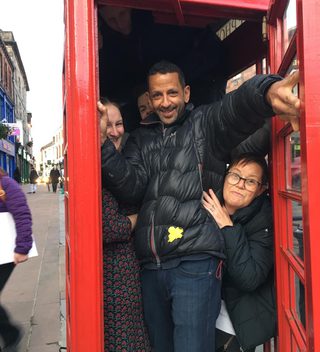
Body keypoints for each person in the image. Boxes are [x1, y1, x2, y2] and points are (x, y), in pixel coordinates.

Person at [99, 61, 300, 352]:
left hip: (195, 262)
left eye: (172, 93)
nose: (165, 102)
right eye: (157, 95)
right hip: (151, 267)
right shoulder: (140, 139)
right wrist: (102, 144)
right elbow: (131, 185)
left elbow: (235, 109)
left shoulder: (204, 124)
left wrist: (267, 91)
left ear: (187, 93)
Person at [202, 153, 276, 351]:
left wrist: (228, 227)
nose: (240, 184)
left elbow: (249, 277)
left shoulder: (264, 219)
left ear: (260, 190)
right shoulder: (206, 203)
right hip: (198, 314)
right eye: (235, 175)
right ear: (225, 177)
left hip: (237, 323)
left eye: (251, 181)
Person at [100, 100, 151, 352]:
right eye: (107, 125)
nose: (115, 131)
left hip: (132, 269)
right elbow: (110, 227)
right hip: (114, 275)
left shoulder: (126, 158)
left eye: (119, 123)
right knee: (124, 341)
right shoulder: (96, 168)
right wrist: (139, 216)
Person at [0, 167, 33, 351]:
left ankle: (11, 334)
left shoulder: (6, 184)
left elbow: (22, 214)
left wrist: (23, 247)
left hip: (5, 251)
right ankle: (10, 333)